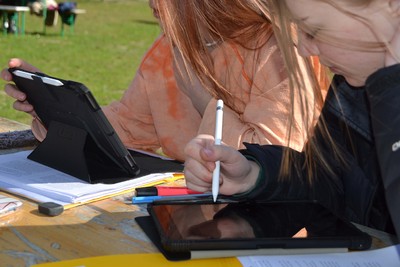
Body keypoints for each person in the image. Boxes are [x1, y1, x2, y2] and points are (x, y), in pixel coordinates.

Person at [2, 0, 326, 163]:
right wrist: (56, 108)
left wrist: (200, 95)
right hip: (191, 222)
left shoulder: (278, 48)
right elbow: (124, 131)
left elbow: (277, 165)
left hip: (271, 239)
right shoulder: (168, 48)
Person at [183, 0, 400, 237]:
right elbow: (328, 181)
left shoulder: (378, 87)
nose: (305, 49)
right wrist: (254, 175)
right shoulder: (354, 89)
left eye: (314, 30)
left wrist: (390, 87)